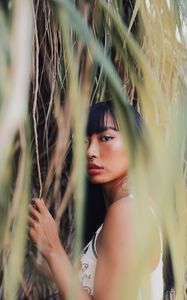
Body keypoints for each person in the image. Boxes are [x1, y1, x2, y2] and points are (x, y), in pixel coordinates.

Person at [28, 101, 163, 300]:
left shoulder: (127, 211)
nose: (90, 151)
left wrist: (53, 248)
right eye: (84, 142)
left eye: (105, 138)